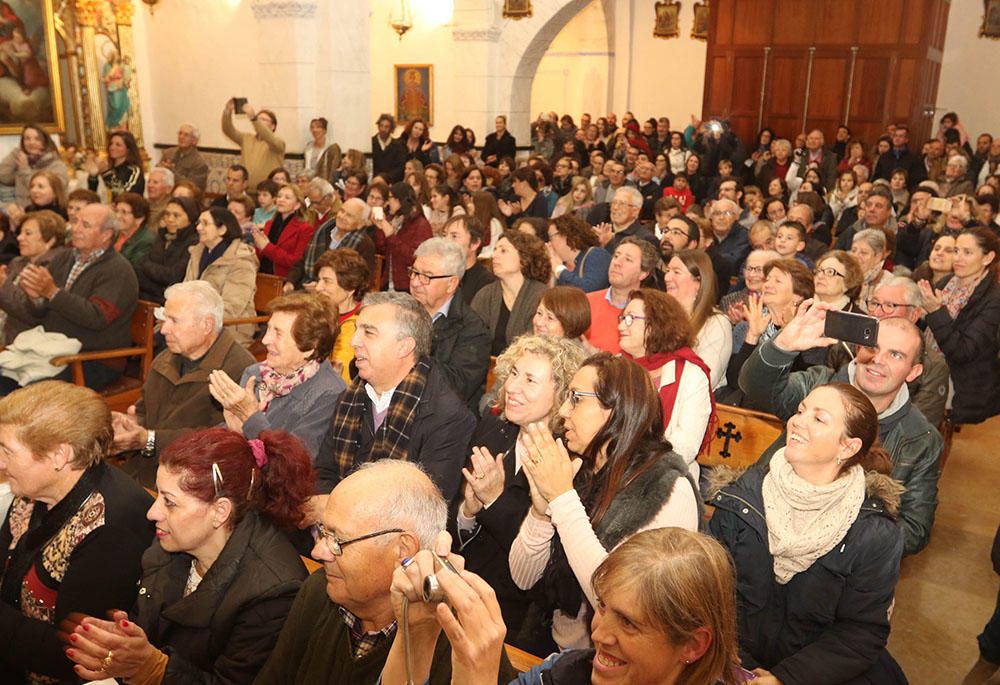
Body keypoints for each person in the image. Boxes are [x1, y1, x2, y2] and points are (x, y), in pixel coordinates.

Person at [65, 426, 312, 683]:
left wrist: (155, 668)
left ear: (220, 511)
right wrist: (123, 647)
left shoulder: (272, 594)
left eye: (169, 502)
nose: (153, 513)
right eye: (158, 495)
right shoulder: (175, 542)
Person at [709, 383, 907, 684]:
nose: (797, 421)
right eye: (801, 410)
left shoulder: (874, 533)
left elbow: (860, 632)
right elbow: (710, 591)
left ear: (847, 447)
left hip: (817, 673)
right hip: (734, 659)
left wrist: (785, 678)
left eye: (819, 418)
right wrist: (737, 663)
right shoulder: (742, 499)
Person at [255, 460, 515, 684]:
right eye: (323, 532)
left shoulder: (464, 643)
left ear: (403, 550)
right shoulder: (317, 591)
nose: (319, 552)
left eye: (337, 540)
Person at [508, 353, 701, 650]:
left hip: (615, 663)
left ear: (616, 409)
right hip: (552, 645)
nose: (562, 410)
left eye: (575, 398)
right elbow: (522, 577)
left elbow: (615, 601)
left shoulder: (667, 489)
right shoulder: (578, 465)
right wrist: (540, 512)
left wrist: (562, 498)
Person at [388, 526, 743, 685]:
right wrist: (416, 633)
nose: (599, 634)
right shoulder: (565, 672)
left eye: (629, 623)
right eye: (602, 607)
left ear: (693, 645)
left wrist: (477, 676)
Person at [739, 303, 943, 556]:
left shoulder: (920, 438)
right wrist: (783, 347)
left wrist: (835, 535)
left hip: (842, 565)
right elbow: (755, 388)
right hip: (763, 528)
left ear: (913, 372)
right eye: (873, 347)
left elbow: (915, 529)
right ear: (858, 348)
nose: (878, 360)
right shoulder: (818, 383)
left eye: (896, 355)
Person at [0, 381, 152, 684]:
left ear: (59, 456)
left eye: (7, 451)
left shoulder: (113, 526)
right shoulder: (34, 489)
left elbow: (73, 654)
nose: (0, 463)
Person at [452, 335, 586, 645]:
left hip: (519, 617)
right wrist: (467, 514)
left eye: (529, 380)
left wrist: (495, 501)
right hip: (464, 588)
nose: (512, 387)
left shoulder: (568, 458)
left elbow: (548, 562)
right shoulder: (493, 427)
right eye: (513, 373)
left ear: (562, 393)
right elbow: (456, 516)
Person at [314, 292, 476, 503]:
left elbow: (427, 506)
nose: (354, 342)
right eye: (357, 330)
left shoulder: (447, 416)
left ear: (404, 347)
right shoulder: (350, 397)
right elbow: (324, 472)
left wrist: (338, 510)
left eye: (369, 333)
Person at [112, 281, 255, 488]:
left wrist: (149, 440)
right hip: (147, 469)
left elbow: (220, 442)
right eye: (164, 319)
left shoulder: (239, 369)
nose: (163, 330)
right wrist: (130, 425)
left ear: (206, 324)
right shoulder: (165, 359)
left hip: (193, 484)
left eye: (174, 321)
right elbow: (144, 411)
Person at [208, 293, 346, 460]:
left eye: (278, 333)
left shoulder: (329, 393)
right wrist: (231, 432)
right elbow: (237, 437)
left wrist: (250, 417)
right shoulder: (255, 374)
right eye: (268, 329)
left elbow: (293, 461)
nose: (265, 340)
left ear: (309, 347)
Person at [16, 203, 138, 390]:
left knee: (28, 392)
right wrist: (37, 298)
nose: (76, 228)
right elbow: (38, 314)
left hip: (94, 358)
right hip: (52, 349)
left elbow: (97, 318)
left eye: (85, 225)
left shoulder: (118, 270)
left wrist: (52, 293)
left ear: (106, 235)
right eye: (75, 222)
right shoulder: (64, 258)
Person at [618, 288, 715, 480]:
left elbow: (686, 446)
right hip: (614, 471)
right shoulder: (616, 367)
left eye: (630, 318)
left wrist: (633, 463)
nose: (621, 326)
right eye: (621, 318)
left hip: (668, 479)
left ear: (656, 325)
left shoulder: (692, 375)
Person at [918, 227, 1000, 425]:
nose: (958, 258)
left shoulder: (993, 299)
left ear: (987, 258)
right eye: (956, 251)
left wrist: (936, 313)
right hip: (929, 364)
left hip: (962, 381)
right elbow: (931, 330)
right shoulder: (947, 282)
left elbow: (963, 351)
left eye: (967, 252)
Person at [410, 237, 491, 410]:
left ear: (451, 284)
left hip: (442, 421)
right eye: (415, 272)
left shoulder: (474, 330)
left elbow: (457, 387)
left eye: (426, 276)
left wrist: (408, 353)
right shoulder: (400, 311)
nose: (415, 282)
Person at [184, 206, 259, 347]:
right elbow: (186, 289)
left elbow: (231, 309)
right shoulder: (198, 252)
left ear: (222, 230)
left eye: (205, 223)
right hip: (197, 321)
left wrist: (193, 319)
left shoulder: (241, 260)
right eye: (198, 223)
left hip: (230, 328)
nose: (199, 228)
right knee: (163, 333)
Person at [662, 249, 734, 391]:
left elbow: (706, 379)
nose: (667, 277)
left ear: (698, 283)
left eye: (676, 272)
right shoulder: (660, 317)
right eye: (667, 270)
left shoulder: (716, 324)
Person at [471, 230, 551, 356]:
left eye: (503, 251)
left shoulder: (541, 295)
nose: (495, 255)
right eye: (495, 249)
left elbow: (539, 344)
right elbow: (471, 339)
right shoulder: (485, 294)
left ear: (524, 258)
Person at [0, 209, 66, 345]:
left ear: (50, 240)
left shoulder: (56, 267)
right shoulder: (18, 262)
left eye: (28, 233)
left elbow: (32, 315)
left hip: (29, 345)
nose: (19, 238)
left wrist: (3, 285)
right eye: (20, 233)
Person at [586, 237, 657, 355]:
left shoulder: (649, 312)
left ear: (643, 274)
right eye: (616, 256)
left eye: (628, 260)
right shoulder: (586, 301)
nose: (617, 263)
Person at [313, 248, 370, 383]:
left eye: (327, 281)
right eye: (319, 280)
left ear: (350, 287)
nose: (318, 287)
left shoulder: (366, 324)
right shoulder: (314, 316)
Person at [135, 196, 200, 304]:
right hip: (147, 295)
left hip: (170, 300)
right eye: (167, 214)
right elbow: (141, 262)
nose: (170, 219)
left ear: (190, 218)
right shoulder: (161, 236)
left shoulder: (194, 243)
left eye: (176, 215)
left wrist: (148, 267)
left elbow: (173, 276)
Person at [373, 182, 434, 292]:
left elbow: (414, 258)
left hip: (408, 285)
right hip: (389, 281)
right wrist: (380, 228)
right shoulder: (394, 220)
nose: (388, 202)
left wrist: (391, 236)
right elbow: (382, 249)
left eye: (390, 197)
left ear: (400, 199)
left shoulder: (420, 224)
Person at [250, 183, 316, 280]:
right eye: (279, 196)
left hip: (283, 279)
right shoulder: (269, 224)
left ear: (297, 205)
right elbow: (261, 252)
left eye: (287, 197)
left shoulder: (305, 228)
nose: (281, 200)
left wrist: (267, 247)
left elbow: (296, 262)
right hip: (261, 275)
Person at [221, 98, 286, 189]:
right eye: (259, 119)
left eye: (264, 120)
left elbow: (269, 137)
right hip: (246, 190)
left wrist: (254, 118)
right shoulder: (246, 138)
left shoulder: (278, 143)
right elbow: (228, 130)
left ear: (273, 126)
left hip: (267, 193)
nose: (259, 122)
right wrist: (227, 111)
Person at [0, 124, 68, 208]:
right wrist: (15, 154)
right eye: (27, 138)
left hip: (47, 212)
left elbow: (51, 190)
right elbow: (3, 177)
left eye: (37, 139)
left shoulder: (57, 166)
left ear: (45, 142)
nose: (31, 142)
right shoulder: (22, 161)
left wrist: (24, 170)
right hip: (22, 211)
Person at [548, 213, 611, 292]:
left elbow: (589, 289)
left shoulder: (597, 254)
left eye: (551, 237)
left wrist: (559, 270)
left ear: (565, 234)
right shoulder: (561, 265)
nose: (549, 243)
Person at [443, 214, 496, 305]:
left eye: (454, 236)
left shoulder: (485, 282)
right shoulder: (440, 273)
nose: (445, 242)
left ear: (474, 243)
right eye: (444, 235)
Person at [86, 130, 145, 199]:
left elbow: (125, 195)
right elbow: (92, 195)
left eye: (118, 145)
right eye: (111, 144)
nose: (112, 148)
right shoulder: (108, 167)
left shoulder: (134, 170)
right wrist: (93, 176)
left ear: (128, 149)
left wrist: (106, 172)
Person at [159, 122, 210, 190]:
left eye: (186, 135)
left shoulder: (199, 163)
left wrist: (171, 172)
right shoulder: (168, 153)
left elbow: (191, 187)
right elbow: (157, 172)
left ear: (194, 141)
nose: (181, 137)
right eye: (180, 133)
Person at [851, 228, 891, 311]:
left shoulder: (888, 282)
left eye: (864, 253)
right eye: (854, 250)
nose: (855, 256)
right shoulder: (844, 275)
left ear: (878, 257)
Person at [113, 192, 155, 265]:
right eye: (116, 211)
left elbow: (130, 268)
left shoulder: (146, 241)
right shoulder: (113, 232)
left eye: (124, 212)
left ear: (139, 219)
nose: (117, 216)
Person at [371, 113, 405, 183]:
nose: (383, 129)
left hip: (392, 182)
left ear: (391, 129)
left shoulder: (398, 146)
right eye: (381, 126)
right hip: (374, 180)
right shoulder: (370, 143)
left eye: (386, 127)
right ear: (378, 126)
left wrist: (387, 178)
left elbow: (400, 167)